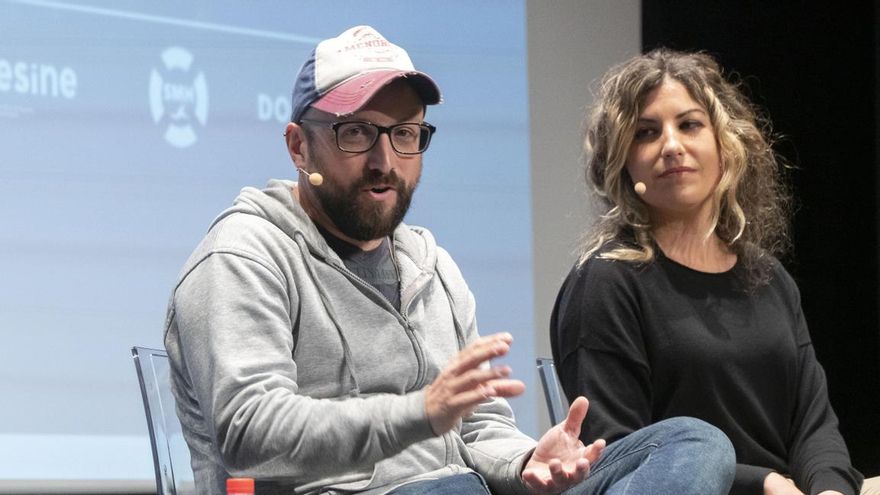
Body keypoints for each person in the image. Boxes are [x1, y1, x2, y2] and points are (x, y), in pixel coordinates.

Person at [164, 27, 736, 495]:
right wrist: (419, 412)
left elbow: (481, 427)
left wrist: (526, 461)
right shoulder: (243, 255)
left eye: (405, 134)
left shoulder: (429, 264)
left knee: (693, 443)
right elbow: (248, 433)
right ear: (298, 146)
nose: (385, 160)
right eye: (356, 133)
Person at [550, 48, 867, 495]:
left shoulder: (769, 277)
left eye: (690, 125)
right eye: (646, 132)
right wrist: (764, 483)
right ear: (622, 161)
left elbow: (814, 426)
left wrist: (829, 489)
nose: (671, 145)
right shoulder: (605, 282)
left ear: (725, 144)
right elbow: (620, 453)